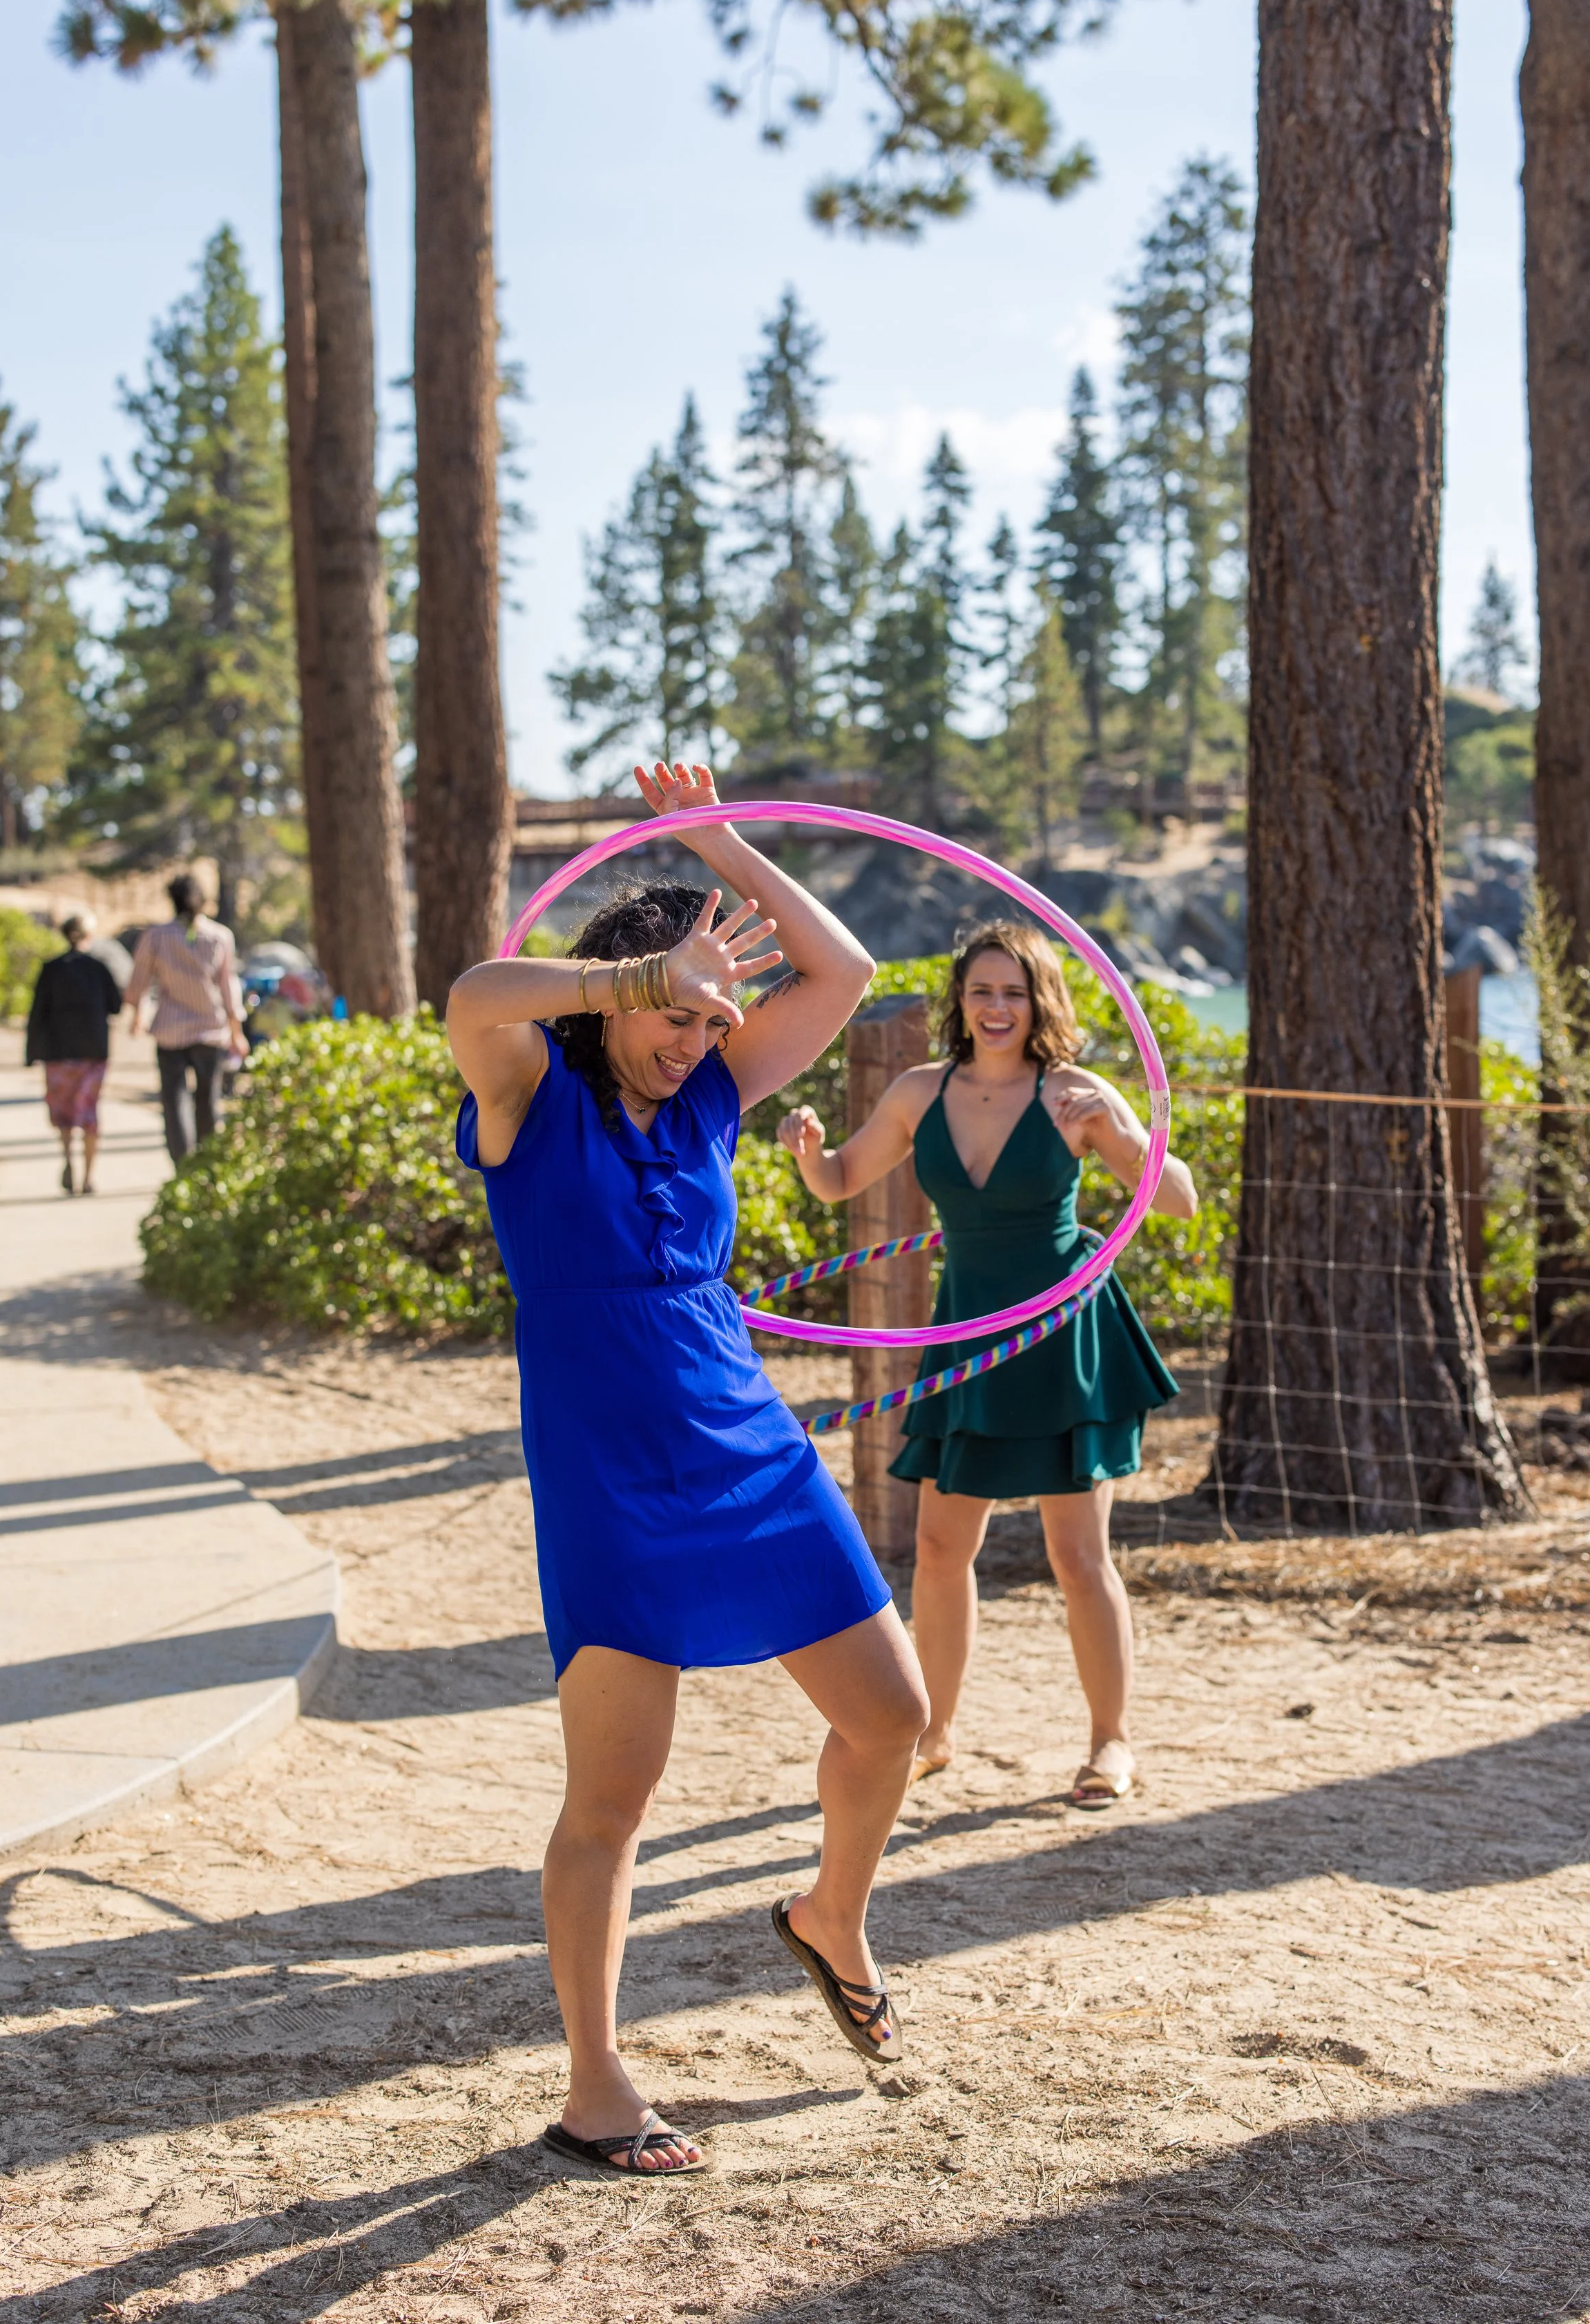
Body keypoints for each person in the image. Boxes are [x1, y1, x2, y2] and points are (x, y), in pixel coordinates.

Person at [446, 762, 928, 2180]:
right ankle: (597, 2082)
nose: (700, 1037)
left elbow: (845, 970)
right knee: (614, 1794)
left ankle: (829, 1914)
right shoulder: (529, 1086)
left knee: (893, 1713)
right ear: (619, 988)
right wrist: (637, 973)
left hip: (745, 1440)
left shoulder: (714, 1091)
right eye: (681, 1010)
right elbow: (475, 991)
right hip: (605, 1467)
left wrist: (720, 844)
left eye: (718, 1017)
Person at [777, 922, 1198, 1811]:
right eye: (981, 992)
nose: (996, 1008)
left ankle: (1110, 1742)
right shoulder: (920, 1091)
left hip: (1060, 1340)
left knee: (1078, 1554)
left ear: (1039, 1002)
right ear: (958, 1004)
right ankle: (932, 1734)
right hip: (969, 1338)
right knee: (938, 1546)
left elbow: (1179, 1201)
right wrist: (810, 1155)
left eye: (1014, 992)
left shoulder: (1071, 1095)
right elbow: (843, 1179)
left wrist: (1118, 1140)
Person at [126, 873, 247, 1165]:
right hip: (211, 1028)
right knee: (208, 1101)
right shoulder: (219, 936)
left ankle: (183, 1163)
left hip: (171, 1030)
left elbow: (139, 978)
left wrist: (137, 1013)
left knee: (174, 1100)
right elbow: (228, 986)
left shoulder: (156, 936)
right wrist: (236, 1030)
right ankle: (206, 1164)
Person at [24, 913, 122, 1196]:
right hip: (93, 1052)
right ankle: (89, 1176)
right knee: (89, 1112)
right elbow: (115, 1005)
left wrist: (31, 1053)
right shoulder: (98, 968)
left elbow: (37, 1013)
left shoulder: (51, 969)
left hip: (58, 1053)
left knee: (64, 1111)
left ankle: (69, 1157)